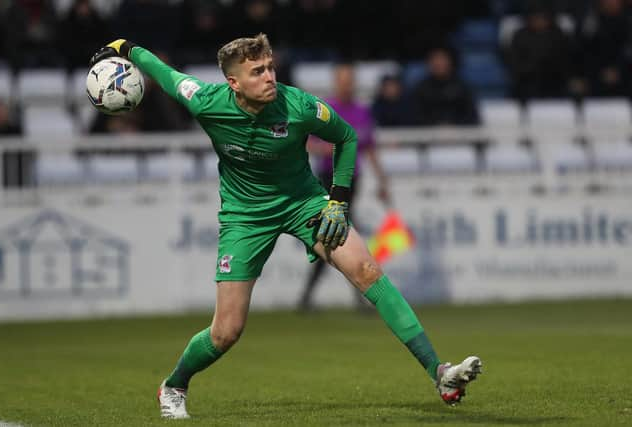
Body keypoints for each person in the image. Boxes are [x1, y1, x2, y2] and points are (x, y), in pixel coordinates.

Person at [89, 34, 482, 420]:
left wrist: (337, 201)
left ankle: (440, 374)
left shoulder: (298, 105)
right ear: (234, 83)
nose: (269, 77)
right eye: (257, 71)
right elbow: (164, 72)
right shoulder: (206, 101)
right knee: (226, 331)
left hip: (304, 203)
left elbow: (346, 136)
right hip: (245, 216)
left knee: (368, 270)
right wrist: (126, 48)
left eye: (270, 67)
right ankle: (174, 385)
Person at [298, 62, 390, 312]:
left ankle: (308, 297)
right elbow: (307, 143)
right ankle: (361, 296)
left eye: (350, 79)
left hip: (352, 181)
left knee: (335, 237)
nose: (346, 84)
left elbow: (370, 148)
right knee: (342, 235)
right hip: (329, 178)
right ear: (335, 82)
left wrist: (382, 180)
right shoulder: (325, 110)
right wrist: (324, 148)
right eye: (342, 79)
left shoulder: (361, 112)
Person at [412, 47, 480, 126]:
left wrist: (453, 126)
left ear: (449, 62)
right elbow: (416, 116)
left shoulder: (462, 87)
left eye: (442, 59)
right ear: (429, 63)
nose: (438, 63)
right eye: (435, 60)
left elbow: (471, 116)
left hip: (460, 134)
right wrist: (436, 126)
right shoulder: (421, 88)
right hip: (428, 134)